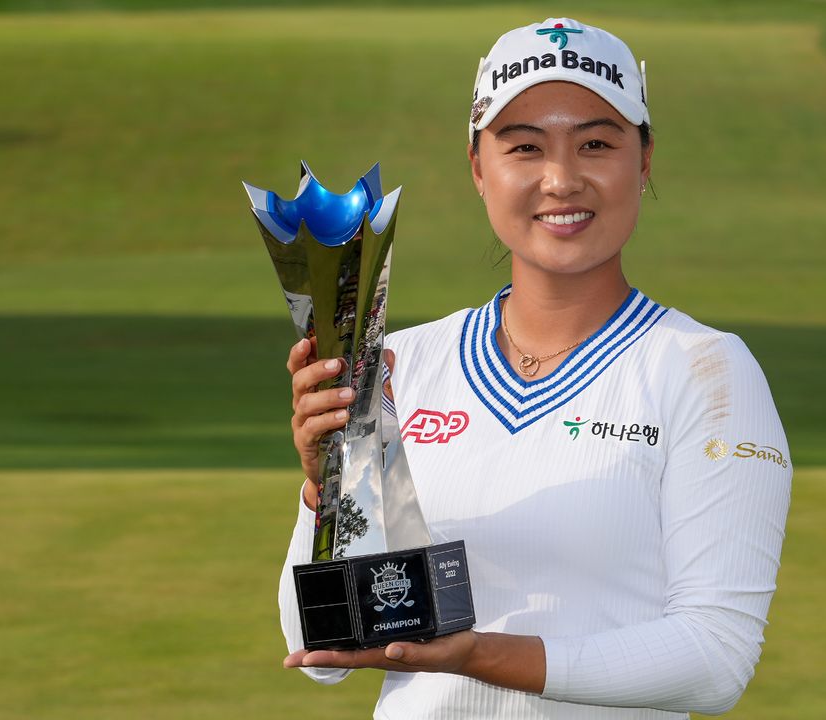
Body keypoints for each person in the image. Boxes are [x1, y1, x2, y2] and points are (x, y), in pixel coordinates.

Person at [277, 17, 793, 718]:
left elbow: (715, 661)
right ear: (478, 168)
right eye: (524, 146)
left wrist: (479, 653)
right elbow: (319, 650)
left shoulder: (704, 371)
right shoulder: (403, 363)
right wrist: (326, 488)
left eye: (596, 144)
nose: (561, 179)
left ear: (643, 162)